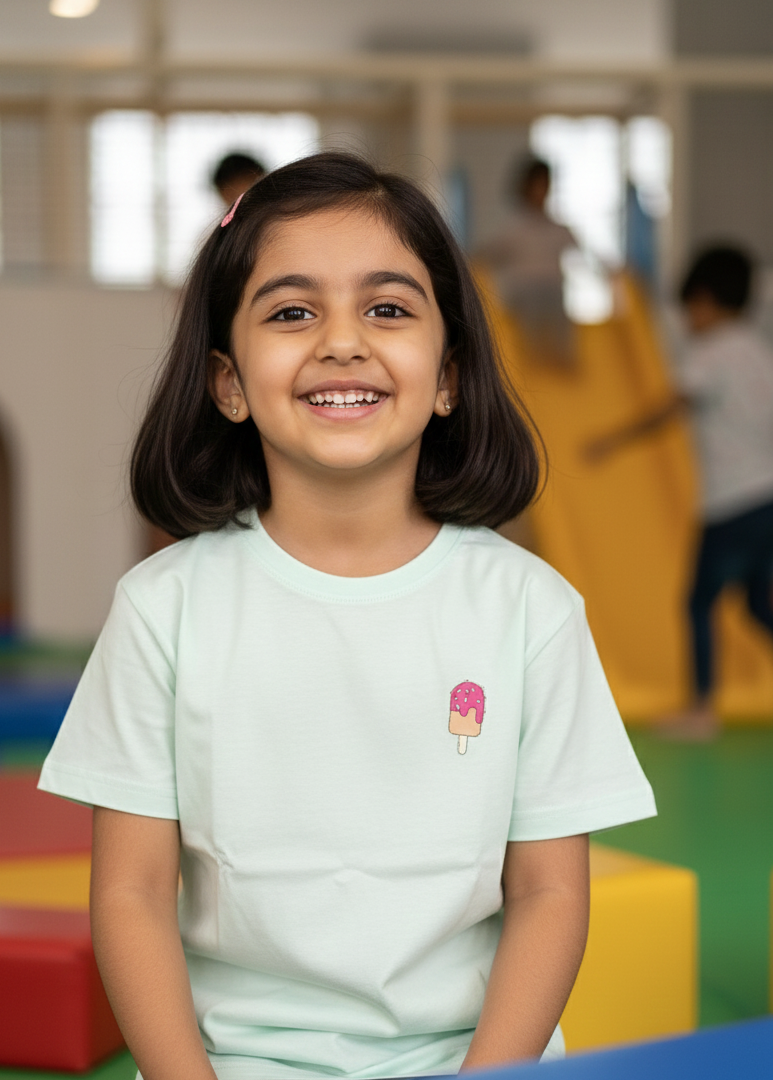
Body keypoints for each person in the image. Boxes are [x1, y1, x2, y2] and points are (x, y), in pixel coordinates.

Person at [38, 152, 656, 1080]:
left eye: (388, 308)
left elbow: (549, 894)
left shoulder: (529, 608)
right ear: (228, 383)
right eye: (292, 311)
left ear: (447, 377)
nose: (341, 341)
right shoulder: (164, 608)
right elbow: (130, 893)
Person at [586, 245, 773, 739]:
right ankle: (701, 705)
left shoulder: (709, 353)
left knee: (698, 603)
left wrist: (611, 441)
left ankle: (701, 709)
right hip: (768, 500)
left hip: (730, 504)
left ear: (707, 301)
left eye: (690, 309)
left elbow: (669, 407)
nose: (687, 321)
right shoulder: (759, 351)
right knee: (759, 606)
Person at [480, 157, 578, 368]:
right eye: (537, 186)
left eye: (546, 186)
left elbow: (583, 253)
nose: (541, 192)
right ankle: (533, 358)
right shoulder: (514, 227)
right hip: (524, 291)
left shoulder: (556, 227)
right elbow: (487, 253)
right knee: (532, 303)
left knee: (557, 306)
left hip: (551, 289)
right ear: (525, 188)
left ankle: (562, 358)